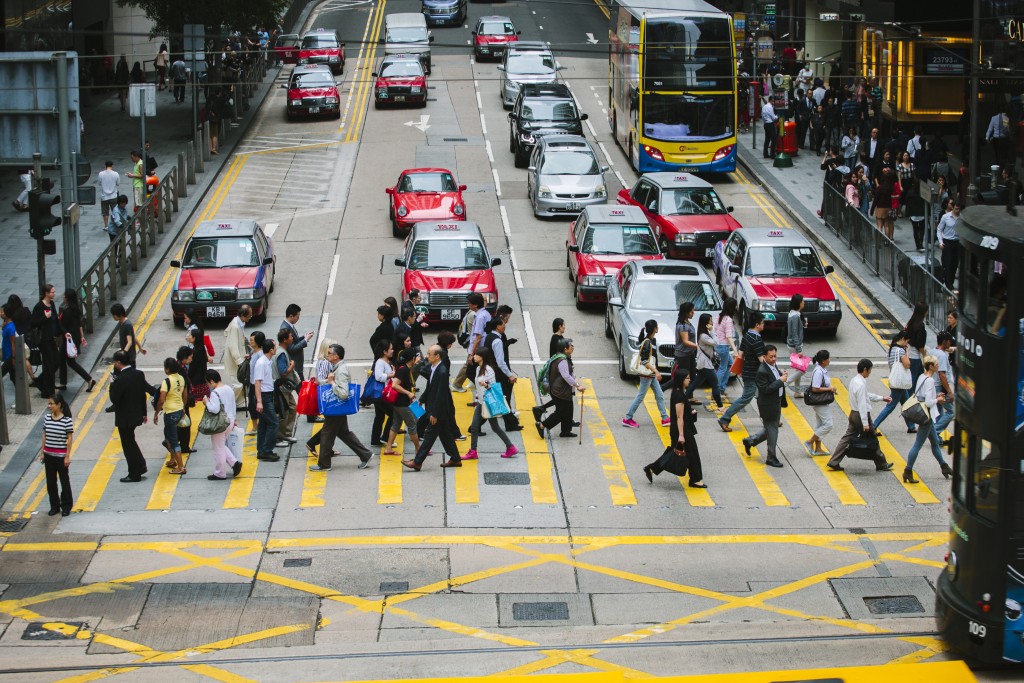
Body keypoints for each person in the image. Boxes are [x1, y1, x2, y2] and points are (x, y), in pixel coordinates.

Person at [311, 344, 372, 471]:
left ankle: (324, 464)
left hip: (336, 407)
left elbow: (343, 393)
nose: (327, 355)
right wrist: (322, 382)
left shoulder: (341, 370)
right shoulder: (337, 367)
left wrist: (332, 383)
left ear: (336, 356)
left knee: (327, 434)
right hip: (338, 407)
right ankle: (365, 455)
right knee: (344, 433)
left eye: (329, 353)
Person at [827, 359, 895, 472]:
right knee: (873, 438)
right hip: (861, 416)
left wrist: (881, 398)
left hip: (853, 414)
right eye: (870, 370)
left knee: (846, 438)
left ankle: (833, 461)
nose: (870, 373)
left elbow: (865, 396)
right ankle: (881, 464)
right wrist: (865, 423)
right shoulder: (861, 384)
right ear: (865, 369)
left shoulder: (855, 381)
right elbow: (862, 404)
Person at [643, 372, 705, 489]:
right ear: (681, 379)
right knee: (692, 453)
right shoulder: (679, 395)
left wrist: (690, 411)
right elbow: (679, 417)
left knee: (674, 452)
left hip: (680, 429)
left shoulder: (678, 392)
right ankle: (695, 479)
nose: (689, 380)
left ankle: (652, 468)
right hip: (682, 430)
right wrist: (681, 435)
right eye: (687, 378)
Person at [403, 344, 462, 470]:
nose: (427, 356)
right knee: (445, 435)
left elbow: (441, 395)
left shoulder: (442, 372)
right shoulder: (433, 368)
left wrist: (435, 413)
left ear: (437, 356)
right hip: (436, 408)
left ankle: (417, 462)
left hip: (438, 410)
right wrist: (422, 399)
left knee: (429, 436)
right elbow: (430, 387)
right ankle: (456, 459)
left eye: (429, 354)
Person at [904, 356, 952, 482]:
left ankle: (944, 466)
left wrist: (936, 395)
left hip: (925, 414)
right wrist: (938, 400)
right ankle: (907, 471)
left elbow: (922, 395)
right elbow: (929, 402)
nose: (938, 366)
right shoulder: (930, 380)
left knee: (935, 443)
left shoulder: (922, 376)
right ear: (931, 366)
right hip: (927, 416)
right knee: (917, 445)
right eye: (936, 364)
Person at [465, 348, 518, 460]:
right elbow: (478, 387)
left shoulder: (489, 370)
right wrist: (477, 399)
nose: (474, 356)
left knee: (479, 427)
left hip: (487, 402)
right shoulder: (478, 368)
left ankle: (474, 451)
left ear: (482, 357)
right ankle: (510, 447)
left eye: (477, 355)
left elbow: (493, 388)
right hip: (481, 402)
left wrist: (485, 385)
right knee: (487, 427)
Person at [718, 313, 766, 432]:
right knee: (745, 398)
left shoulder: (747, 335)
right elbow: (762, 360)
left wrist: (740, 370)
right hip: (753, 375)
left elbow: (740, 355)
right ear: (757, 325)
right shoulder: (756, 339)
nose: (764, 325)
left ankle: (769, 419)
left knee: (761, 397)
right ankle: (725, 418)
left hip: (748, 372)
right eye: (762, 323)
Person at [741, 345, 787, 468]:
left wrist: (781, 375)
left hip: (776, 402)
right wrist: (780, 381)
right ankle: (771, 458)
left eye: (775, 356)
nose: (774, 359)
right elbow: (765, 389)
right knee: (773, 430)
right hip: (768, 405)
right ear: (764, 356)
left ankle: (751, 440)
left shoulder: (772, 365)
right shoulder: (762, 371)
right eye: (771, 357)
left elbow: (775, 378)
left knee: (770, 429)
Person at [109, 350, 149, 482]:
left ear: (118, 362)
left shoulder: (120, 379)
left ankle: (134, 473)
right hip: (136, 414)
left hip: (124, 418)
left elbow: (114, 399)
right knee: (131, 441)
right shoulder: (138, 374)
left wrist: (112, 384)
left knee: (128, 445)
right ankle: (141, 465)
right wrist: (144, 413)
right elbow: (143, 395)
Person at [622, 320, 670, 429]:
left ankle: (665, 418)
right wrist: (656, 371)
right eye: (657, 326)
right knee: (640, 397)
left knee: (659, 395)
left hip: (651, 375)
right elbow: (644, 361)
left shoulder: (652, 340)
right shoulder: (647, 342)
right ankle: (627, 418)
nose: (658, 328)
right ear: (654, 329)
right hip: (647, 375)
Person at [536, 338, 584, 439]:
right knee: (561, 413)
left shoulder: (559, 357)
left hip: (563, 390)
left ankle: (566, 431)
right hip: (560, 391)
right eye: (571, 346)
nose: (572, 347)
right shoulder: (562, 361)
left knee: (568, 410)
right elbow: (566, 376)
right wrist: (577, 385)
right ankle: (542, 425)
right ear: (565, 349)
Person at [872, 331, 916, 434]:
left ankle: (911, 426)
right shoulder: (900, 351)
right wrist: (906, 352)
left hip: (896, 381)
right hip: (899, 383)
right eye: (907, 342)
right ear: (903, 339)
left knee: (906, 404)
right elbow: (907, 365)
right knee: (890, 406)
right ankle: (873, 426)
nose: (907, 344)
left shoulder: (892, 349)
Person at [483, 317, 522, 432]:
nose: (505, 326)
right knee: (502, 398)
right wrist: (510, 375)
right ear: (497, 327)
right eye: (503, 325)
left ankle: (511, 424)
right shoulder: (497, 341)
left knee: (501, 399)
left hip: (491, 371)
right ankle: (475, 426)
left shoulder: (489, 337)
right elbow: (500, 362)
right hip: (498, 374)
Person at [382, 348, 423, 457]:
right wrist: (408, 393)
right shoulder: (403, 370)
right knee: (412, 424)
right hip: (402, 404)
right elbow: (395, 385)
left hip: (399, 403)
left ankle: (388, 448)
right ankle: (418, 449)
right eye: (416, 357)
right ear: (412, 358)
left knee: (396, 424)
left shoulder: (405, 368)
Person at [203, 370, 242, 480]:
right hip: (230, 421)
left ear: (211, 381)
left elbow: (214, 409)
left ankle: (220, 473)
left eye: (208, 383)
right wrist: (234, 419)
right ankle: (234, 463)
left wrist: (206, 402)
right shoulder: (228, 388)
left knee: (218, 448)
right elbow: (233, 405)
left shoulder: (215, 393)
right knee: (221, 445)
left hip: (219, 424)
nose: (208, 385)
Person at [54, 288, 95, 392]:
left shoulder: (67, 311)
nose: (63, 297)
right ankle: (63, 382)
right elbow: (79, 324)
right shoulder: (76, 308)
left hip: (68, 339)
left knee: (70, 362)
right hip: (75, 338)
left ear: (67, 297)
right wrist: (81, 336)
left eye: (64, 295)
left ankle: (89, 379)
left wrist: (59, 324)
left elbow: (62, 326)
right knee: (63, 359)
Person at [41, 393, 74, 516]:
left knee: (64, 481)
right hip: (48, 455)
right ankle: (54, 506)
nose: (49, 406)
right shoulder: (47, 418)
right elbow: (44, 435)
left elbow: (69, 438)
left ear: (59, 404)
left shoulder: (67, 420)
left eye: (52, 404)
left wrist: (67, 456)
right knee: (51, 482)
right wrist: (42, 452)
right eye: (48, 403)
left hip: (61, 456)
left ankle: (66, 506)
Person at [154, 357, 188, 475]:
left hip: (170, 413)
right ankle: (173, 459)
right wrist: (183, 408)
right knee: (168, 435)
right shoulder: (181, 378)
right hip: (179, 411)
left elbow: (161, 400)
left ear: (167, 369)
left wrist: (156, 413)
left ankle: (181, 467)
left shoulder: (166, 381)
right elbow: (185, 395)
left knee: (173, 440)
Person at [305, 338, 338, 458]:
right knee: (331, 424)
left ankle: (327, 449)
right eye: (332, 347)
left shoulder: (323, 361)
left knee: (333, 424)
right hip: (327, 395)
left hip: (327, 394)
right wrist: (332, 380)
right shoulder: (325, 362)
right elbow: (321, 380)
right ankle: (312, 443)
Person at [684, 314, 723, 410]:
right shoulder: (703, 336)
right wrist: (712, 330)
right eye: (710, 321)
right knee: (715, 384)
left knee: (696, 383)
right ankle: (720, 406)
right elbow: (716, 342)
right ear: (706, 323)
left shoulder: (704, 334)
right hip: (705, 363)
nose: (712, 323)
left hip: (704, 362)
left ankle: (683, 399)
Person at [30, 283, 61, 398]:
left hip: (51, 338)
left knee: (56, 362)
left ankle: (40, 382)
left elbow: (56, 320)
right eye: (52, 292)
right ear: (46, 293)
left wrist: (62, 332)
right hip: (43, 340)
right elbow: (33, 323)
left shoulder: (51, 304)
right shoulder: (39, 306)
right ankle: (48, 391)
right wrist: (45, 317)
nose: (54, 293)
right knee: (49, 364)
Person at [804, 350, 837, 456]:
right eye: (828, 358)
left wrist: (831, 389)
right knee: (828, 424)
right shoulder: (818, 371)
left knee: (820, 425)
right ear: (823, 361)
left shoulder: (822, 369)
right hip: (819, 402)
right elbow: (815, 388)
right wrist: (829, 389)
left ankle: (818, 448)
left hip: (822, 401)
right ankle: (810, 441)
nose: (829, 360)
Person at [252, 339, 280, 463]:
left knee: (263, 424)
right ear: (271, 350)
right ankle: (267, 450)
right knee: (273, 423)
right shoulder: (261, 363)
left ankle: (262, 450)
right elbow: (257, 383)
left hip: (267, 395)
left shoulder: (267, 361)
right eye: (275, 347)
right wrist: (259, 401)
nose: (276, 349)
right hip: (263, 397)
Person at [664, 302, 697, 394]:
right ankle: (663, 387)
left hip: (690, 353)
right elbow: (685, 341)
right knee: (682, 376)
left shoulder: (687, 323)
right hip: (683, 355)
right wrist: (698, 346)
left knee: (692, 375)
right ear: (686, 313)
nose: (693, 313)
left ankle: (689, 395)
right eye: (691, 312)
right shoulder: (683, 326)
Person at [273, 328, 299, 447]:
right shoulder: (281, 353)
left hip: (285, 388)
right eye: (290, 336)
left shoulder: (281, 351)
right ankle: (279, 437)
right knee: (284, 412)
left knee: (292, 408)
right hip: (282, 388)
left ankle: (287, 434)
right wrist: (292, 366)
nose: (292, 338)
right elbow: (283, 372)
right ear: (285, 339)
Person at [223, 304, 252, 402]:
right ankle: (227, 403)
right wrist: (240, 362)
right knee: (238, 384)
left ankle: (239, 403)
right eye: (249, 316)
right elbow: (233, 347)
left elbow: (226, 332)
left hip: (240, 357)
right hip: (235, 361)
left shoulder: (238, 322)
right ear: (243, 315)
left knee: (240, 383)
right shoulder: (235, 326)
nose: (250, 317)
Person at [369, 340, 395, 446]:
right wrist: (392, 375)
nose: (392, 350)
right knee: (394, 414)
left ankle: (375, 440)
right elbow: (379, 376)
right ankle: (386, 437)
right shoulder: (380, 362)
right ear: (384, 351)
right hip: (381, 394)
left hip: (381, 394)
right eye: (391, 349)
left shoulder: (386, 361)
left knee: (379, 417)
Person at [932, 332, 956, 442]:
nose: (950, 343)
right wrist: (949, 392)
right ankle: (934, 432)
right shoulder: (941, 356)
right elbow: (942, 375)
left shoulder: (933, 351)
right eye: (949, 341)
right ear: (944, 342)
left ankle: (936, 438)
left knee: (938, 413)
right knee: (951, 411)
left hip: (934, 385)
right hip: (940, 387)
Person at [785, 294, 808, 398]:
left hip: (793, 345)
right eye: (802, 301)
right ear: (798, 303)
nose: (804, 303)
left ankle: (797, 392)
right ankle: (784, 384)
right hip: (795, 346)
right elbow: (794, 333)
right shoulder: (794, 316)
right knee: (802, 369)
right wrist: (799, 349)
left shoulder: (794, 314)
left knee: (798, 369)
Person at [713, 299, 737, 395]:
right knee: (722, 368)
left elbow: (715, 330)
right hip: (723, 346)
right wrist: (735, 350)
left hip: (718, 345)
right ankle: (716, 390)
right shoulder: (728, 320)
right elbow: (728, 336)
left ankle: (721, 387)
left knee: (730, 364)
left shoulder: (719, 316)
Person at [904, 301, 929, 393]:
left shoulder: (911, 322)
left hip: (910, 355)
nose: (927, 313)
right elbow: (919, 345)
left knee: (919, 379)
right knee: (913, 382)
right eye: (926, 311)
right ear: (923, 312)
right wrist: (925, 355)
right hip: (915, 358)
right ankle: (908, 400)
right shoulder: (920, 326)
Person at [937, 203, 962, 291]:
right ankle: (949, 284)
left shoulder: (962, 218)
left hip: (957, 243)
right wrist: (941, 242)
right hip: (948, 242)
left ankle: (950, 281)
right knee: (948, 263)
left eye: (959, 209)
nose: (957, 211)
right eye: (956, 209)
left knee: (955, 263)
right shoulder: (946, 217)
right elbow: (939, 229)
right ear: (953, 208)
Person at [98, 160, 120, 229]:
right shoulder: (116, 174)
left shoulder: (101, 174)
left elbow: (99, 183)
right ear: (112, 166)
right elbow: (118, 183)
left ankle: (106, 226)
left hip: (104, 196)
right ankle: (116, 224)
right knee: (115, 211)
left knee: (105, 212)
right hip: (113, 196)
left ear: (105, 166)